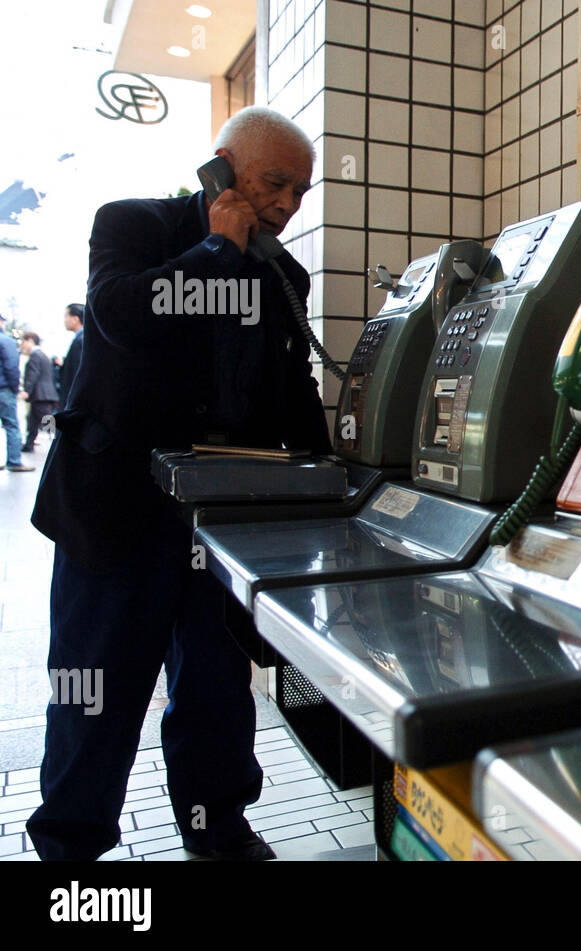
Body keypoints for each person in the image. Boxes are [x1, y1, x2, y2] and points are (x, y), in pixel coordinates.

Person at [28, 106, 332, 861]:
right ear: (224, 167)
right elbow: (120, 316)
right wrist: (214, 251)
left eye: (300, 191)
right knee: (92, 690)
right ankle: (70, 843)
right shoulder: (133, 224)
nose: (289, 205)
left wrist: (331, 489)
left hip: (223, 519)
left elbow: (292, 389)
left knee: (216, 689)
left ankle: (217, 825)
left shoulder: (281, 273)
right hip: (117, 510)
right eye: (274, 183)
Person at [0, 317, 33, 472]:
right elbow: (11, 367)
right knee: (11, 425)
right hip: (4, 389)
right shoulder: (5, 341)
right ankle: (14, 461)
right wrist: (15, 388)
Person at [19, 332, 58, 453]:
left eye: (23, 342)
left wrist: (27, 391)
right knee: (33, 421)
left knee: (47, 421)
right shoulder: (42, 355)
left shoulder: (35, 355)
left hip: (40, 395)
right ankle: (29, 445)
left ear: (30, 340)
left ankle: (58, 445)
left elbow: (32, 375)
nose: (22, 345)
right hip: (43, 394)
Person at [53, 303, 84, 410]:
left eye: (66, 316)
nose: (65, 320)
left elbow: (78, 373)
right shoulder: (81, 339)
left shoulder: (81, 340)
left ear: (75, 319)